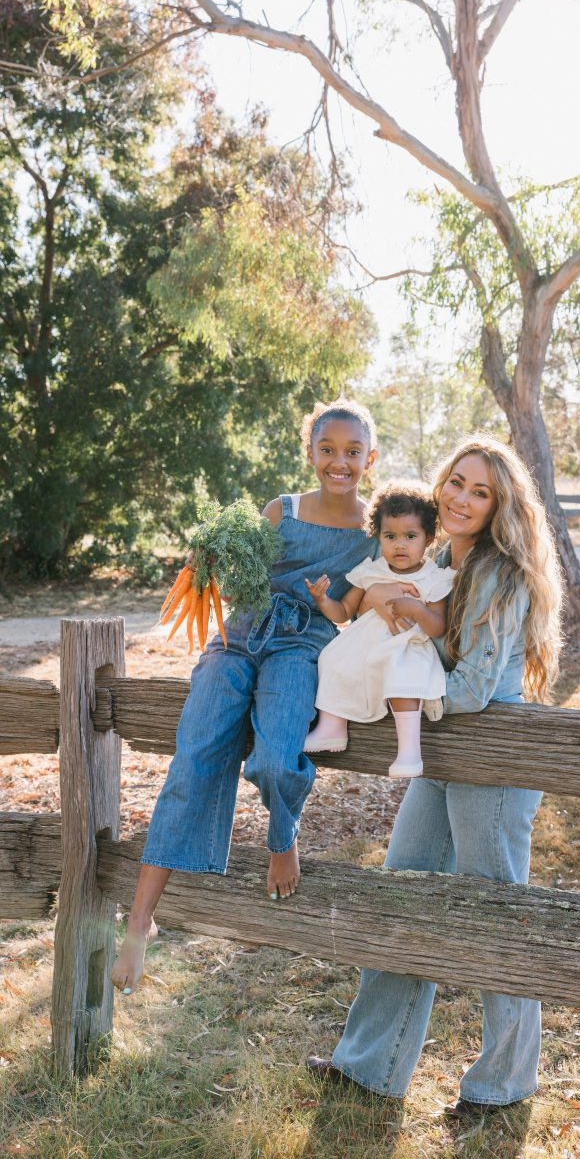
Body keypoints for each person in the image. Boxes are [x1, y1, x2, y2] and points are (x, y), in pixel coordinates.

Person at [306, 434, 563, 1119]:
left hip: (495, 761)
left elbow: (476, 685)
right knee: (404, 894)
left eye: (480, 491)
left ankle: (502, 1082)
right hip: (444, 754)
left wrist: (410, 696)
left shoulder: (502, 572)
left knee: (497, 913)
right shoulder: (435, 555)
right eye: (457, 482)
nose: (461, 498)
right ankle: (369, 1066)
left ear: (500, 506)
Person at [111, 400, 379, 996]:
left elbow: (373, 598)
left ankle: (281, 838)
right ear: (310, 451)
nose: (339, 462)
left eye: (352, 451)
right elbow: (239, 579)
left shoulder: (372, 532)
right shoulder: (279, 511)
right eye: (327, 449)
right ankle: (139, 922)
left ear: (370, 457)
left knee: (275, 757)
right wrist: (207, 563)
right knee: (195, 759)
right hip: (239, 637)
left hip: (302, 647)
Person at [303, 482, 455, 777]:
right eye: (390, 536)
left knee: (403, 675)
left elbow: (437, 627)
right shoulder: (370, 571)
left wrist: (418, 609)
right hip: (365, 647)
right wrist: (322, 599)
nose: (400, 544)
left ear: (429, 539)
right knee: (331, 657)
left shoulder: (433, 578)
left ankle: (410, 752)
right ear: (378, 536)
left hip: (406, 646)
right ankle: (332, 727)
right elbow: (344, 612)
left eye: (410, 536)